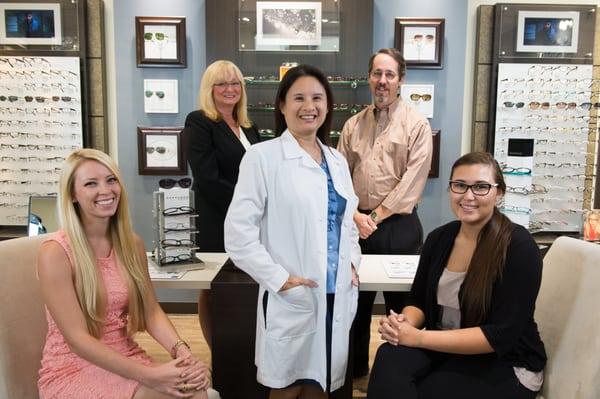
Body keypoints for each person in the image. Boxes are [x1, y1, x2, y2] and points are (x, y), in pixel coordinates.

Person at [224, 64, 361, 398]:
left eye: (317, 97)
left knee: (321, 385)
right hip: (294, 292)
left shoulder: (336, 160)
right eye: (298, 97)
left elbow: (348, 221)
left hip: (335, 291)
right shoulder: (263, 157)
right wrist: (278, 278)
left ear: (328, 106)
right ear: (282, 105)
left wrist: (353, 264)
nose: (308, 106)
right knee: (287, 386)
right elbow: (238, 234)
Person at [37, 149, 215, 399]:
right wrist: (150, 376)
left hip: (126, 355)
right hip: (72, 367)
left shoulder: (132, 244)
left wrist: (183, 352)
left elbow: (151, 311)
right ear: (73, 195)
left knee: (197, 392)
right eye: (91, 184)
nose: (106, 191)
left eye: (111, 180)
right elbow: (77, 340)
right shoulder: (55, 252)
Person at [367, 151, 547, 399]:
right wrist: (404, 324)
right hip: (445, 347)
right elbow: (418, 300)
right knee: (389, 356)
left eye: (481, 187)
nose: (468, 196)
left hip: (505, 360)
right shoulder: (439, 238)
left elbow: (500, 335)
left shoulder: (518, 246)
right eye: (460, 185)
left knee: (428, 391)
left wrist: (419, 338)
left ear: (499, 193)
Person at [336, 47, 433, 379]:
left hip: (398, 228)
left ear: (401, 80)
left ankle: (397, 375)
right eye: (377, 73)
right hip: (357, 226)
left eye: (389, 74)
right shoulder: (352, 125)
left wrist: (373, 218)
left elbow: (412, 181)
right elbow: (339, 177)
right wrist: (354, 217)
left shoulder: (417, 125)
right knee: (354, 307)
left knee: (401, 310)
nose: (382, 81)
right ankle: (354, 371)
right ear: (369, 78)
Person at [184, 60, 260, 348]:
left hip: (248, 223)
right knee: (213, 287)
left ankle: (238, 352)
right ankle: (218, 352)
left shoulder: (248, 127)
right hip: (216, 219)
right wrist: (250, 205)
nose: (230, 89)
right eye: (222, 83)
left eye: (235, 83)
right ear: (210, 89)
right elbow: (207, 178)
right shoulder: (200, 121)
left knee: (242, 286)